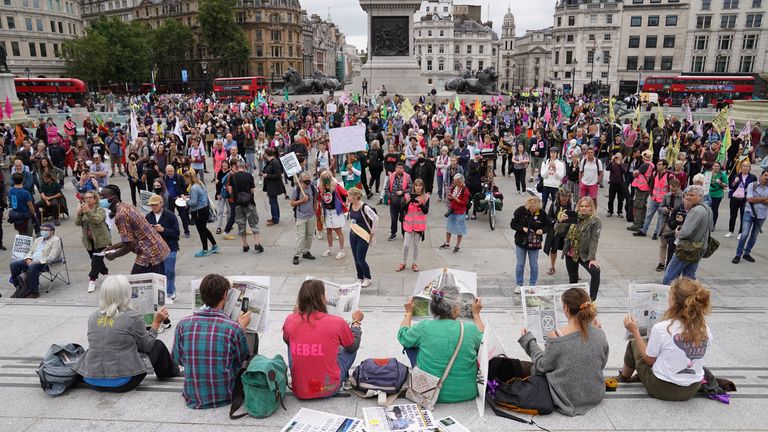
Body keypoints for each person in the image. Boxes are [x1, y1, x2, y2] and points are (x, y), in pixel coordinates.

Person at [72, 275, 179, 392]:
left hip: (91, 378)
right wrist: (156, 324)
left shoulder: (93, 317)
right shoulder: (132, 317)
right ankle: (172, 373)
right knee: (157, 345)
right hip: (123, 382)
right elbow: (147, 346)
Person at [518, 288, 608, 416]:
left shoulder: (556, 337)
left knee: (525, 367)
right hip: (595, 394)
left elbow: (541, 367)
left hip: (567, 397)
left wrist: (529, 341)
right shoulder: (600, 333)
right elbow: (601, 363)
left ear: (566, 308)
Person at [620, 278, 712, 401]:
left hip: (662, 388)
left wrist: (635, 332)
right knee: (661, 348)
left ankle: (623, 377)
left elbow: (649, 361)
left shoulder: (662, 328)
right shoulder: (705, 329)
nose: (668, 298)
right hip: (692, 389)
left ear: (675, 302)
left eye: (670, 295)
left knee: (635, 341)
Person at [173, 274, 251, 408]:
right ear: (226, 295)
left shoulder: (183, 324)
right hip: (226, 395)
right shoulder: (233, 328)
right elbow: (242, 359)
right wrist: (241, 328)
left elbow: (178, 359)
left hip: (192, 395)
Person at [398, 286, 484, 404]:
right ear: (454, 309)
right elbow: (485, 344)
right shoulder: (470, 328)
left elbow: (403, 337)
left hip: (428, 391)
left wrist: (408, 313)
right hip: (467, 391)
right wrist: (476, 314)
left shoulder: (424, 326)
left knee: (411, 343)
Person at [282, 279, 364, 399]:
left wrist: (295, 316)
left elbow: (286, 340)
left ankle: (302, 378)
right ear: (321, 298)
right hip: (328, 388)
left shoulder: (290, 320)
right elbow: (353, 347)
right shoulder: (337, 322)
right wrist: (356, 324)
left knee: (291, 340)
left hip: (300, 390)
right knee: (348, 345)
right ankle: (342, 377)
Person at [100, 185, 170, 274]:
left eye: (104, 196)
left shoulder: (120, 216)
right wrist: (113, 247)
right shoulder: (126, 206)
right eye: (100, 195)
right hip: (157, 248)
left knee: (137, 283)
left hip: (150, 254)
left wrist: (113, 255)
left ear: (113, 198)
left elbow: (129, 245)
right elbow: (131, 238)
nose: (100, 199)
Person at [662, 185, 713, 284]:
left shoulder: (695, 211)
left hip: (687, 249)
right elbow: (710, 227)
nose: (689, 197)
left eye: (692, 195)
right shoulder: (707, 208)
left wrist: (677, 233)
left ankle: (667, 295)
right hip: (698, 247)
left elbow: (685, 233)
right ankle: (690, 297)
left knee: (669, 276)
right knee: (689, 278)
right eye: (687, 195)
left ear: (700, 197)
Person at [557, 197, 602, 301]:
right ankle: (574, 301)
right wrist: (561, 221)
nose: (583, 208)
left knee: (595, 272)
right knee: (573, 279)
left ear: (591, 208)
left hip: (584, 254)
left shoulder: (595, 221)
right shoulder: (573, 216)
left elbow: (594, 240)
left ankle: (592, 299)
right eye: (581, 206)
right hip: (570, 252)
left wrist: (592, 258)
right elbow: (558, 230)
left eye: (586, 206)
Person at [510, 196, 553, 293]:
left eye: (535, 207)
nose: (533, 209)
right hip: (521, 242)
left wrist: (542, 230)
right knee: (520, 264)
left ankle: (532, 285)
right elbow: (513, 224)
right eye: (531, 207)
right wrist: (523, 228)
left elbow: (549, 225)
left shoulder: (542, 213)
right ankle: (519, 284)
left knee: (533, 265)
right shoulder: (520, 211)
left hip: (534, 243)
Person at [9, 224, 62, 298]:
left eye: (46, 230)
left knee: (32, 266)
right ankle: (19, 288)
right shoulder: (38, 239)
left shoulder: (55, 240)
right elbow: (30, 251)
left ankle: (34, 292)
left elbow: (53, 256)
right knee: (14, 265)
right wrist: (28, 258)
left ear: (52, 231)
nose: (43, 231)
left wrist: (38, 261)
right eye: (42, 230)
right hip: (31, 260)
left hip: (44, 263)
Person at [145, 194, 180, 303]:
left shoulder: (170, 216)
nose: (153, 207)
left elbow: (176, 233)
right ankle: (168, 290)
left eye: (155, 205)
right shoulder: (148, 217)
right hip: (156, 249)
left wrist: (163, 230)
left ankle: (169, 293)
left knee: (169, 271)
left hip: (170, 247)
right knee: (159, 272)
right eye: (152, 205)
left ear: (161, 204)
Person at [75, 191, 111, 293]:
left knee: (96, 261)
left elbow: (97, 220)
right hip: (89, 241)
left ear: (95, 199)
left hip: (101, 240)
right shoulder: (84, 210)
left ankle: (92, 280)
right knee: (96, 260)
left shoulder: (100, 210)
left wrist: (87, 212)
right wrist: (79, 213)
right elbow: (77, 223)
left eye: (90, 197)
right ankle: (106, 274)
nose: (88, 199)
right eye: (86, 197)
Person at [732, 169, 768, 264]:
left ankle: (747, 253)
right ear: (761, 176)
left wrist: (757, 199)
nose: (767, 178)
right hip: (749, 212)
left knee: (754, 236)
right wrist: (764, 199)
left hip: (762, 215)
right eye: (766, 175)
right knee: (744, 234)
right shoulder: (752, 185)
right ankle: (738, 254)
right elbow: (750, 199)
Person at [229, 160, 264, 253]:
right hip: (249, 203)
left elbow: (230, 191)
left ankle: (245, 245)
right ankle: (257, 243)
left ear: (237, 166)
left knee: (241, 224)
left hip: (238, 204)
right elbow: (252, 190)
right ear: (245, 167)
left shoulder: (232, 176)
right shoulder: (249, 176)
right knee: (254, 223)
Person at [183, 170, 220, 257]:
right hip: (205, 209)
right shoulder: (200, 183)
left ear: (189, 178)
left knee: (201, 231)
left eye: (186, 179)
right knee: (204, 229)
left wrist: (186, 200)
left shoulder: (193, 188)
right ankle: (214, 245)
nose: (186, 181)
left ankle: (205, 249)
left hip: (198, 211)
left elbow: (194, 202)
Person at [347, 187, 378, 287]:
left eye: (349, 196)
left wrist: (372, 233)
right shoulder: (350, 205)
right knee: (355, 258)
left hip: (363, 236)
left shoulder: (364, 207)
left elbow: (375, 218)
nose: (348, 198)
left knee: (360, 258)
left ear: (355, 197)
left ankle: (368, 278)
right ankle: (360, 277)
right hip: (353, 235)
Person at [397, 179, 429, 273]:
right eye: (416, 185)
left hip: (419, 226)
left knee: (416, 246)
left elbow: (426, 211)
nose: (418, 187)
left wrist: (420, 204)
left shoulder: (426, 197)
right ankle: (403, 262)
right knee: (406, 245)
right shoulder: (407, 195)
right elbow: (402, 208)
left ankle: (414, 263)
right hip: (408, 224)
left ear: (422, 187)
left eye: (420, 186)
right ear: (414, 186)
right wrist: (407, 201)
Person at [635, 159, 670, 239]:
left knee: (660, 217)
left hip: (662, 199)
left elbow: (669, 188)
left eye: (660, 164)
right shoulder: (654, 173)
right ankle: (643, 230)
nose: (657, 166)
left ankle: (656, 233)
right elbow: (650, 183)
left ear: (665, 166)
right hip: (654, 197)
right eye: (657, 164)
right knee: (649, 215)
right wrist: (651, 192)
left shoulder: (668, 175)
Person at [656, 179, 684, 272]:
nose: (673, 192)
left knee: (674, 246)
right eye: (671, 190)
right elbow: (659, 207)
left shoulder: (683, 197)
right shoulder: (667, 196)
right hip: (666, 222)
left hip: (677, 225)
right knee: (663, 245)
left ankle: (671, 264)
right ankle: (661, 263)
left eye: (675, 190)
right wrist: (664, 209)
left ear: (679, 188)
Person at [291, 171, 317, 265]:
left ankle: (306, 251)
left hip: (311, 216)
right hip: (301, 216)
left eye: (309, 178)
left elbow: (315, 201)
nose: (308, 180)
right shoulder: (296, 190)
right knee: (301, 236)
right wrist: (302, 200)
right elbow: (292, 203)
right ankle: (297, 255)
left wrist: (315, 213)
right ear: (301, 179)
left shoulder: (313, 188)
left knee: (309, 235)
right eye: (306, 178)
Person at [725, 160, 756, 239]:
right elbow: (731, 187)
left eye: (747, 166)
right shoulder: (736, 175)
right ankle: (730, 231)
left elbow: (755, 188)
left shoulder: (752, 177)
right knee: (733, 215)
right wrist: (735, 182)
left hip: (745, 200)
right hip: (735, 198)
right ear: (741, 167)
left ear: (749, 168)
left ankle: (741, 232)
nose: (745, 168)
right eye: (744, 166)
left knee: (743, 216)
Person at [440, 173, 470, 253]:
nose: (454, 183)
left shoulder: (465, 190)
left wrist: (455, 198)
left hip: (460, 211)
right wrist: (450, 197)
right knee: (449, 227)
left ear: (460, 181)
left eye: (456, 182)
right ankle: (447, 243)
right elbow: (451, 199)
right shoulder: (454, 187)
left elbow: (464, 203)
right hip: (452, 210)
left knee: (460, 229)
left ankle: (457, 245)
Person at [628, 150, 655, 232]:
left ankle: (637, 224)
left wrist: (634, 172)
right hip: (646, 188)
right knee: (642, 206)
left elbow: (635, 173)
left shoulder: (645, 165)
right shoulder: (651, 165)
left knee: (638, 206)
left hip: (642, 187)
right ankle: (642, 223)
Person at [163, 165, 191, 238]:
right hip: (169, 199)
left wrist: (182, 195)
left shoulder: (179, 177)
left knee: (183, 216)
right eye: (168, 171)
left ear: (174, 170)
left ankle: (187, 231)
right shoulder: (164, 177)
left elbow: (184, 187)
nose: (169, 173)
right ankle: (172, 231)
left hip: (179, 199)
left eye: (171, 171)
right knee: (170, 216)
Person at [386, 162, 412, 240]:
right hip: (393, 200)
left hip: (403, 201)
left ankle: (404, 234)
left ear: (403, 169)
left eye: (401, 168)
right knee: (393, 218)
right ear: (395, 168)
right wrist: (390, 196)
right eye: (398, 168)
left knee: (403, 218)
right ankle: (393, 233)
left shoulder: (407, 176)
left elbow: (410, 188)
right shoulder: (391, 176)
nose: (399, 169)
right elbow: (386, 188)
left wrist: (402, 192)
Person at [262, 147, 285, 226]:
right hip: (270, 185)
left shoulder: (275, 162)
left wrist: (267, 176)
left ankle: (275, 219)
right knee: (273, 202)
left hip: (274, 185)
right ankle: (275, 217)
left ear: (267, 154)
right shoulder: (270, 161)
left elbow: (278, 175)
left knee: (273, 202)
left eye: (264, 153)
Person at [705, 161, 728, 229]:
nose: (716, 167)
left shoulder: (722, 175)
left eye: (717, 166)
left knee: (714, 209)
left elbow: (726, 185)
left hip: (717, 194)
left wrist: (720, 182)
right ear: (712, 167)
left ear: (719, 167)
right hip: (708, 193)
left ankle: (713, 225)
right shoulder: (707, 173)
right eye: (715, 166)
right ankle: (705, 224)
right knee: (706, 210)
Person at [606, 153, 627, 218]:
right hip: (612, 183)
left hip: (620, 183)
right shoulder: (612, 164)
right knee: (611, 198)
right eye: (616, 157)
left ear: (621, 158)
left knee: (620, 199)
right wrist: (611, 161)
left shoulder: (623, 164)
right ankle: (610, 211)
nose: (617, 158)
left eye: (618, 157)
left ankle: (619, 212)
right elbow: (607, 168)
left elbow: (624, 171)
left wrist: (620, 164)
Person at [466, 150, 484, 219]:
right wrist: (477, 168)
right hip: (470, 183)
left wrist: (482, 166)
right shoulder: (470, 162)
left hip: (477, 183)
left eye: (479, 154)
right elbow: (470, 172)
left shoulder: (481, 162)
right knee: (468, 198)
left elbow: (482, 173)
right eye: (476, 154)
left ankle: (474, 213)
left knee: (476, 199)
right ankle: (466, 213)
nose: (478, 155)